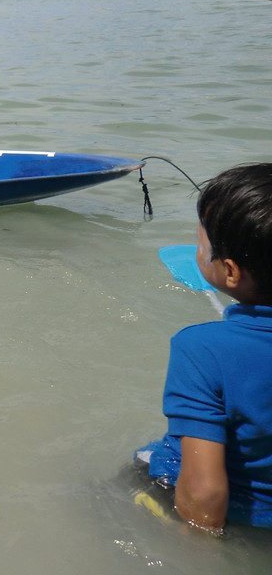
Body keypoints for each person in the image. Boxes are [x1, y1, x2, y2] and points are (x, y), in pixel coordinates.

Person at [135, 163, 272, 532]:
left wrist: (201, 553)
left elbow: (204, 493)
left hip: (227, 513)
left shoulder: (202, 348)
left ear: (231, 272)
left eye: (201, 244)